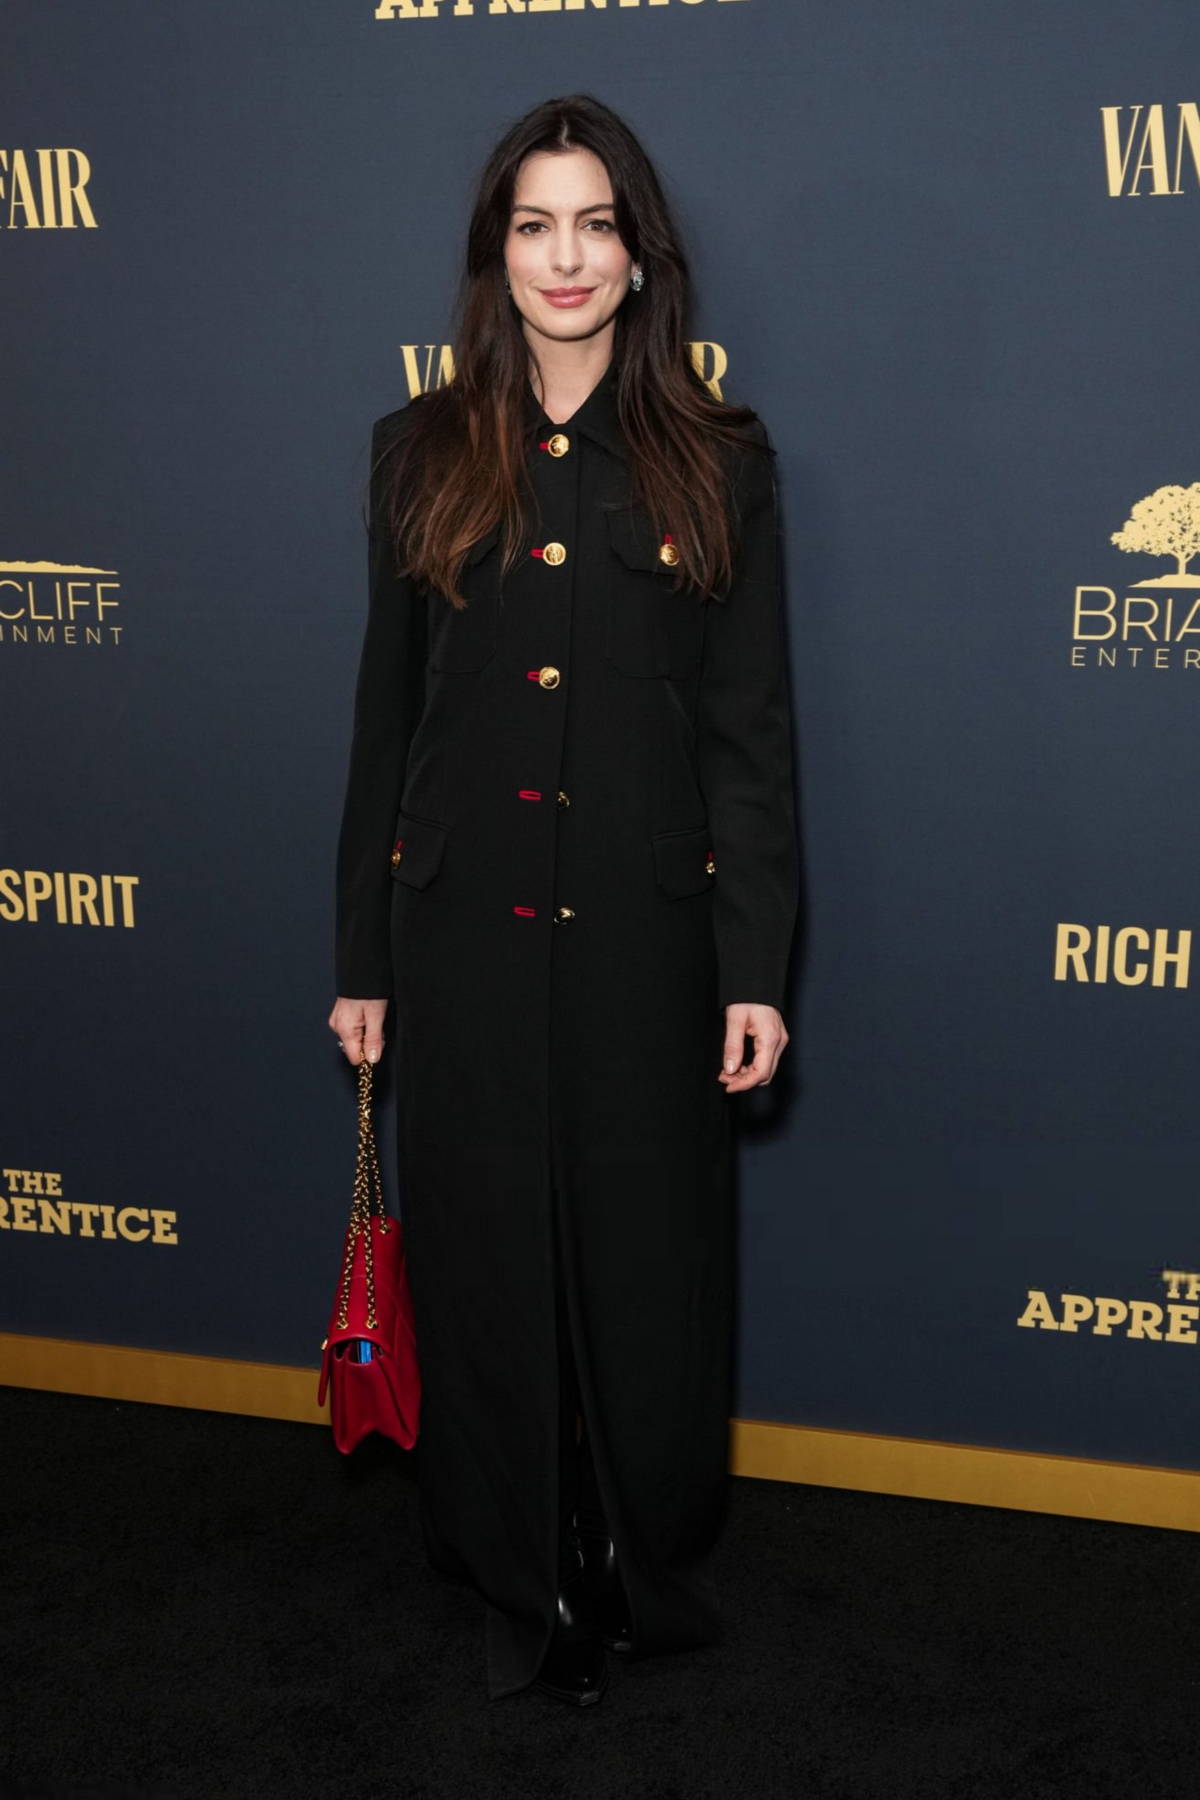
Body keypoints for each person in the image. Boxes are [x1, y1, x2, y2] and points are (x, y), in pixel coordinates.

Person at [328, 92, 799, 1708]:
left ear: (639, 253)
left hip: (652, 942)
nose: (566, 256)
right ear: (495, 257)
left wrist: (756, 963)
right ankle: (514, 1559)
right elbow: (386, 726)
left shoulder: (719, 461)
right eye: (534, 225)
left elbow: (751, 735)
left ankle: (629, 1548)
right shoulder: (419, 451)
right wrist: (362, 954)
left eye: (595, 223)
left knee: (645, 1255)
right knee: (482, 1259)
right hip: (456, 937)